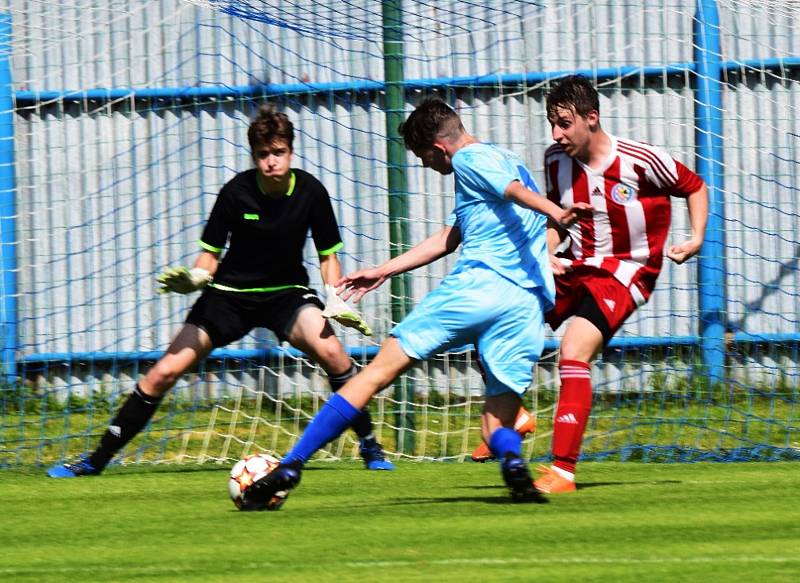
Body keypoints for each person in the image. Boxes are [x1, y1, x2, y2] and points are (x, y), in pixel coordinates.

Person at [241, 97, 591, 510]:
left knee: (373, 375)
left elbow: (512, 193)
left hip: (477, 289)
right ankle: (513, 463)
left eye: (424, 157)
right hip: (525, 305)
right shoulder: (505, 158)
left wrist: (558, 212)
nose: (427, 166)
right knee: (494, 422)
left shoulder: (469, 160)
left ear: (439, 149)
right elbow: (452, 236)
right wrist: (385, 270)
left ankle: (292, 465)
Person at [47, 104, 394, 478]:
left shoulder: (311, 191)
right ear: (254, 156)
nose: (271, 162)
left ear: (291, 152)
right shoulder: (235, 192)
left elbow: (328, 256)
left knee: (332, 352)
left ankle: (370, 444)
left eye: (278, 153)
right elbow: (209, 255)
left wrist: (334, 297)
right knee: (164, 372)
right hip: (228, 296)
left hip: (286, 295)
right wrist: (196, 277)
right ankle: (96, 459)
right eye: (263, 154)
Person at [471, 75, 709, 492]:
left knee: (573, 351)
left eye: (564, 123)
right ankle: (517, 415)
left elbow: (694, 186)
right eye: (552, 124)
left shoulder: (640, 159)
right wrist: (545, 252)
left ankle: (562, 470)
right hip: (575, 264)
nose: (556, 133)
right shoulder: (555, 160)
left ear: (591, 118)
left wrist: (696, 237)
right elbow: (558, 221)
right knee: (492, 322)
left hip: (626, 271)